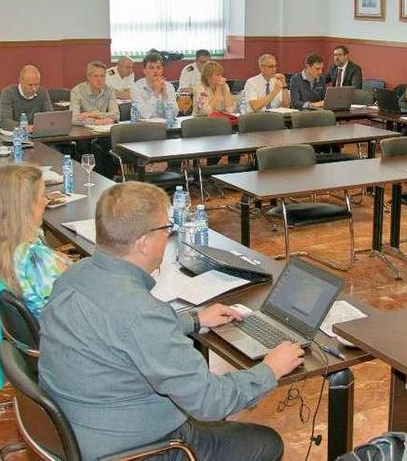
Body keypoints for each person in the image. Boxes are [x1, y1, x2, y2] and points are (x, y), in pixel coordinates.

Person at [39, 182, 303, 461]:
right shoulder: (140, 312)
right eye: (166, 230)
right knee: (265, 442)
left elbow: (118, 330)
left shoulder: (74, 277)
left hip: (74, 428)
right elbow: (210, 401)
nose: (168, 237)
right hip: (135, 450)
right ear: (143, 243)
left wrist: (194, 319)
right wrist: (270, 369)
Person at [0, 164, 69, 318]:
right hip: (59, 334)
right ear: (26, 207)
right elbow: (74, 312)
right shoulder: (38, 261)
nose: (46, 201)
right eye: (42, 195)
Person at [0, 65, 53, 131]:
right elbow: (5, 122)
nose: (34, 89)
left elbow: (50, 117)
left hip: (37, 133)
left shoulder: (42, 92)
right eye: (30, 85)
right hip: (17, 135)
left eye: (36, 85)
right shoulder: (8, 92)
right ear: (20, 81)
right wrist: (24, 128)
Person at [70, 61, 119, 125]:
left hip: (104, 129)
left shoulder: (110, 90)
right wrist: (95, 121)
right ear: (88, 77)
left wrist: (93, 114)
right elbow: (73, 118)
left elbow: (116, 115)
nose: (99, 79)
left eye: (102, 76)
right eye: (95, 76)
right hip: (84, 131)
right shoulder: (77, 91)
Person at [131, 51, 177, 119]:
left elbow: (174, 114)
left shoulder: (169, 86)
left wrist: (165, 95)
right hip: (143, 126)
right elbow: (144, 115)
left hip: (164, 127)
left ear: (162, 70)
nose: (155, 71)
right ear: (144, 71)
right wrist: (156, 93)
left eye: (158, 68)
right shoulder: (136, 87)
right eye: (151, 68)